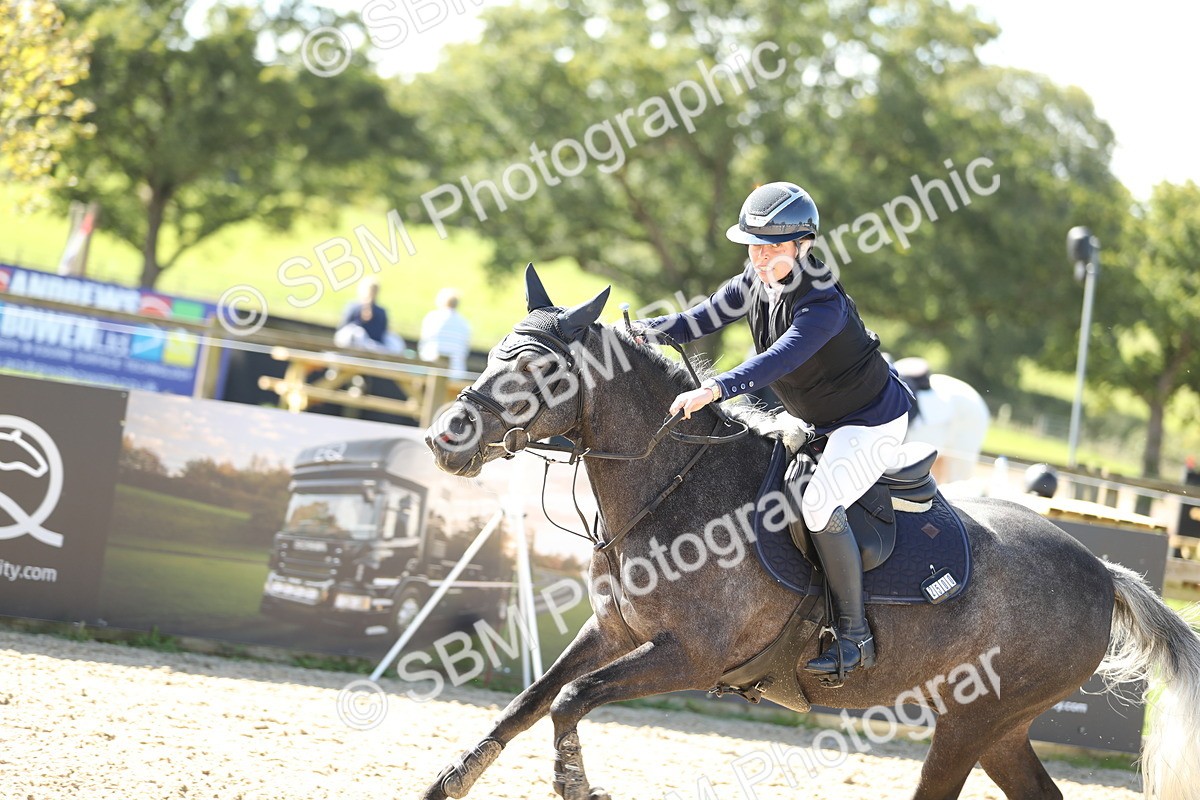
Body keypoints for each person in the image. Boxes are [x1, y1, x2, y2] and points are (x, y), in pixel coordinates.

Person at [638, 182, 913, 678]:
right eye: (753, 245)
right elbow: (697, 319)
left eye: (772, 247)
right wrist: (634, 334)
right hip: (812, 419)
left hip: (867, 424)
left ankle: (855, 636)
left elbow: (777, 359)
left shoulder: (823, 304)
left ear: (803, 246)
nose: (760, 256)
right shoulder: (754, 279)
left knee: (818, 504)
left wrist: (716, 389)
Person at [335, 277, 405, 353]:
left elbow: (381, 333)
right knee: (358, 333)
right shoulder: (353, 307)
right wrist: (361, 318)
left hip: (374, 345)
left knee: (394, 341)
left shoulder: (380, 312)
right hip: (353, 344)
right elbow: (343, 329)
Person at [418, 287, 472, 376]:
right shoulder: (465, 323)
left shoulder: (432, 317)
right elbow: (465, 350)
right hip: (456, 372)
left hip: (430, 368)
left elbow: (423, 344)